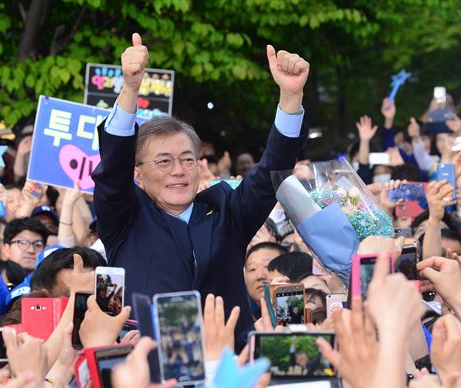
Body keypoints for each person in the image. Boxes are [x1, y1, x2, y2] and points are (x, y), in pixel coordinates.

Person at [93, 33, 310, 348]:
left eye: (186, 160)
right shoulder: (126, 218)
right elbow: (112, 173)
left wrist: (291, 98)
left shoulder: (225, 210)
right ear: (138, 175)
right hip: (152, 367)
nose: (178, 171)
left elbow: (269, 173)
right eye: (164, 162)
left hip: (230, 367)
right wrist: (130, 89)